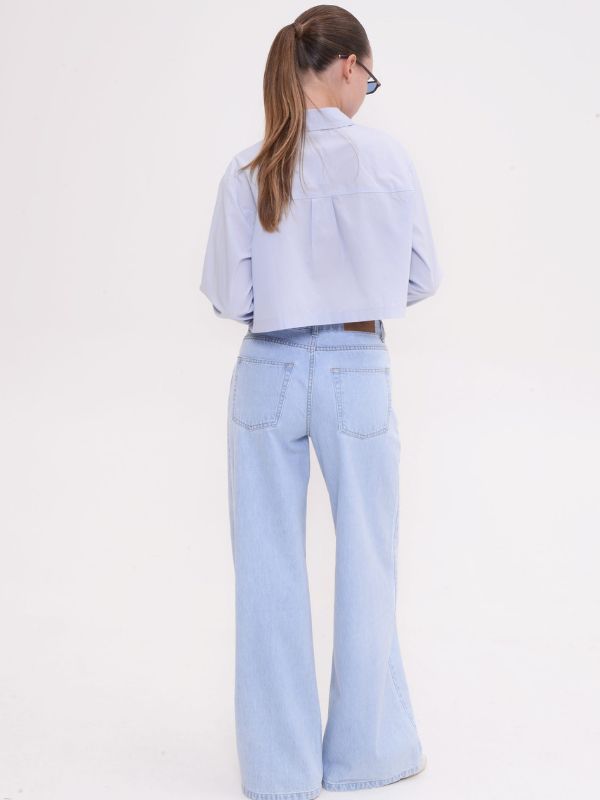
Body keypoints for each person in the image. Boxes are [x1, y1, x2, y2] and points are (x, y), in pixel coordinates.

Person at [199, 6, 442, 799]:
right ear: (346, 66)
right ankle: (367, 755)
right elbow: (422, 277)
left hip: (267, 368)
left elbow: (230, 296)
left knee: (266, 569)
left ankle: (281, 770)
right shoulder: (388, 159)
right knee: (368, 559)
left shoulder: (250, 168)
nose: (367, 91)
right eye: (368, 78)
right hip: (357, 366)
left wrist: (289, 299)